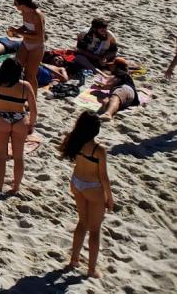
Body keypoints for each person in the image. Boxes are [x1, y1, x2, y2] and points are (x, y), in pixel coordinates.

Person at [59, 112, 112, 279]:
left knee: (82, 222)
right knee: (95, 230)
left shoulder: (74, 140)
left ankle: (74, 260)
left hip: (77, 182)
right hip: (92, 187)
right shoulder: (98, 149)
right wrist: (109, 197)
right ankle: (91, 270)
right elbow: (103, 177)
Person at [0, 57, 37, 197]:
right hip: (19, 120)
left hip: (1, 118)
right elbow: (34, 110)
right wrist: (31, 124)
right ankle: (15, 187)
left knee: (1, 156)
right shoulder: (25, 86)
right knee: (18, 156)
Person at [11, 0, 46, 109]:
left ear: (22, 4)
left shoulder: (37, 15)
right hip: (26, 43)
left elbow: (39, 36)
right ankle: (18, 96)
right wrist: (17, 29)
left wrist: (19, 33)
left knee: (30, 75)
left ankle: (33, 100)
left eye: (16, 3)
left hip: (36, 46)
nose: (14, 5)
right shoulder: (24, 13)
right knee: (15, 69)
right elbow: (26, 27)